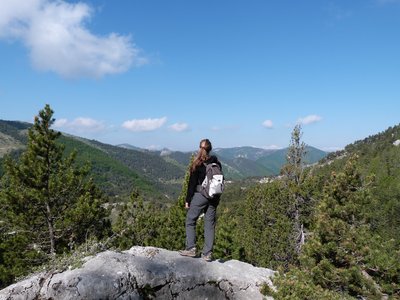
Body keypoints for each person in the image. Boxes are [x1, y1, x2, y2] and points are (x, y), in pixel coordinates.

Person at [179, 138, 221, 262]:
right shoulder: (216, 162)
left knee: (190, 220)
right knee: (209, 224)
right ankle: (207, 254)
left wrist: (188, 200)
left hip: (201, 195)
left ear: (200, 148)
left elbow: (191, 184)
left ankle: (191, 248)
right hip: (214, 197)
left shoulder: (197, 163)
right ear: (210, 149)